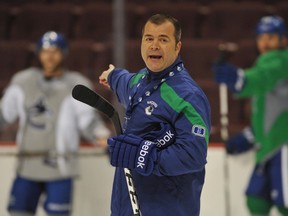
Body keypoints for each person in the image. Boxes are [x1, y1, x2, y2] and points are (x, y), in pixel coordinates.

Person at [99, 14, 211, 216]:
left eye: (163, 39)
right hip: (126, 206)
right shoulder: (140, 81)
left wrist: (144, 156)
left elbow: (194, 155)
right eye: (149, 38)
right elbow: (124, 81)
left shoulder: (189, 96)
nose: (154, 45)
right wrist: (112, 75)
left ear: (177, 47)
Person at [0, 31, 110, 216]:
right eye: (45, 50)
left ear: (64, 53)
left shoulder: (75, 84)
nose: (50, 55)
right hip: (27, 166)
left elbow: (88, 121)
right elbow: (3, 114)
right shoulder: (23, 81)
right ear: (39, 53)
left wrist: (103, 138)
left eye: (55, 50)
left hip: (60, 166)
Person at [212, 16, 288, 216]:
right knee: (256, 199)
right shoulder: (264, 63)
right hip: (268, 147)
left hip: (284, 146)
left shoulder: (282, 61)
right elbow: (269, 112)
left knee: (285, 203)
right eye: (261, 37)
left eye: (271, 37)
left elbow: (259, 80)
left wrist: (238, 79)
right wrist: (251, 136)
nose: (265, 42)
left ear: (283, 40)